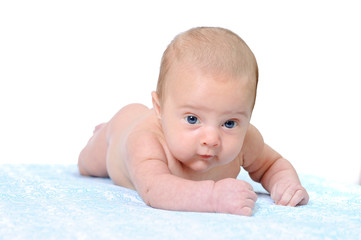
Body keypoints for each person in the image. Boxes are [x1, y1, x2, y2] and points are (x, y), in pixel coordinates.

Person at [78, 27, 309, 216]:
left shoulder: (247, 140)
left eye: (229, 123)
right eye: (192, 119)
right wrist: (213, 197)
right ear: (159, 109)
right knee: (88, 165)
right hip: (120, 133)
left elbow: (271, 165)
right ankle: (102, 131)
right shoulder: (145, 142)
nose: (211, 139)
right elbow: (154, 189)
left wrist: (285, 184)